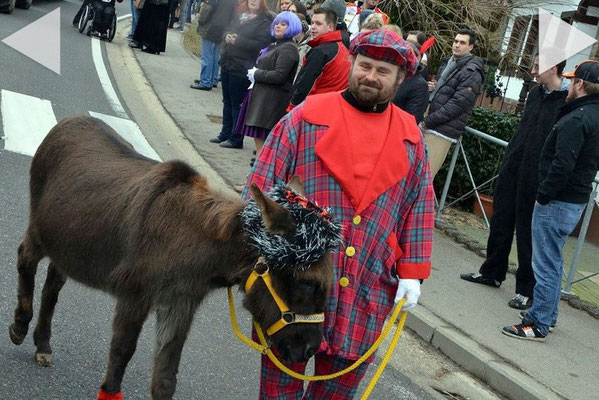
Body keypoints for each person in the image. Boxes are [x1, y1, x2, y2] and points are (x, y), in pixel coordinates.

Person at [243, 28, 432, 398]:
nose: (370, 76)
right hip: (295, 290)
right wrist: (259, 250)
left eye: (382, 71)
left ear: (399, 80)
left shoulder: (412, 138)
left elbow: (420, 206)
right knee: (278, 390)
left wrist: (413, 272)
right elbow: (260, 191)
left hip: (365, 286)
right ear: (353, 65)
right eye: (364, 66)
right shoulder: (304, 118)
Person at [460, 56, 568, 310]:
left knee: (528, 231)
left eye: (538, 65)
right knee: (501, 218)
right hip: (514, 165)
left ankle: (526, 289)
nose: (532, 69)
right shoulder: (534, 94)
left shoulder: (565, 101)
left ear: (553, 68)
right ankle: (492, 271)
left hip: (537, 173)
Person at [502, 60, 599, 341]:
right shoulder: (591, 115)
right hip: (574, 199)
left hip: (558, 201)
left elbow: (562, 164)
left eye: (572, 81)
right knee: (553, 262)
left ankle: (539, 322)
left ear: (580, 85)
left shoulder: (577, 118)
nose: (568, 86)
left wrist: (544, 194)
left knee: (544, 264)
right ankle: (548, 315)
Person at [209, 0, 273, 149]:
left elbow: (261, 44)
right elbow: (228, 28)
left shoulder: (264, 21)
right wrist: (227, 36)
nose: (253, 1)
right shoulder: (240, 15)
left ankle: (236, 137)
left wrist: (238, 40)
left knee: (237, 103)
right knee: (227, 101)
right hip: (228, 62)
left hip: (243, 66)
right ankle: (225, 133)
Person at [422, 28, 484, 177]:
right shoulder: (448, 63)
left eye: (462, 43)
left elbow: (457, 105)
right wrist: (432, 87)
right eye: (455, 41)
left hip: (441, 131)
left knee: (424, 176)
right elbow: (444, 91)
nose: (457, 45)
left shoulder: (472, 71)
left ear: (470, 47)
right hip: (428, 121)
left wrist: (428, 121)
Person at [237, 11, 301, 154]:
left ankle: (260, 172)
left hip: (271, 101)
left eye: (283, 24)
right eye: (277, 23)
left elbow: (279, 75)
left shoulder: (289, 48)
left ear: (292, 27)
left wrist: (256, 74)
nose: (278, 26)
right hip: (263, 97)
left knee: (265, 142)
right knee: (260, 140)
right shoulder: (277, 45)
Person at [287, 8, 350, 111]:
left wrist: (291, 108)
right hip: (333, 108)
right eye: (312, 23)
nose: (313, 27)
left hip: (313, 108)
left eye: (318, 23)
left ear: (330, 27)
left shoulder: (320, 52)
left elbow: (305, 85)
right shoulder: (342, 48)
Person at [191, 0, 237, 90]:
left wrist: (200, 21)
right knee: (216, 56)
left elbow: (206, 10)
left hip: (211, 26)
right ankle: (213, 79)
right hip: (223, 28)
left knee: (207, 55)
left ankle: (205, 81)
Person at [392, 41, 428, 123]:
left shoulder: (420, 85)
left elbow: (412, 120)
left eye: (408, 54)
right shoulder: (393, 76)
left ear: (418, 58)